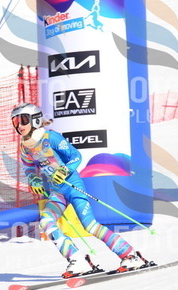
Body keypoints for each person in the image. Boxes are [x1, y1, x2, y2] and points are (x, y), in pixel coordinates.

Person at [11, 103, 151, 278]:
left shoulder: (51, 137)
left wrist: (64, 170)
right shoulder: (25, 146)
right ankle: (77, 259)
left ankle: (130, 255)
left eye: (23, 120)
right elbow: (29, 167)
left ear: (35, 120)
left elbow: (76, 156)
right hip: (57, 192)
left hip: (73, 186)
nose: (19, 125)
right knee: (46, 222)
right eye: (15, 121)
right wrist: (33, 179)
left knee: (90, 226)